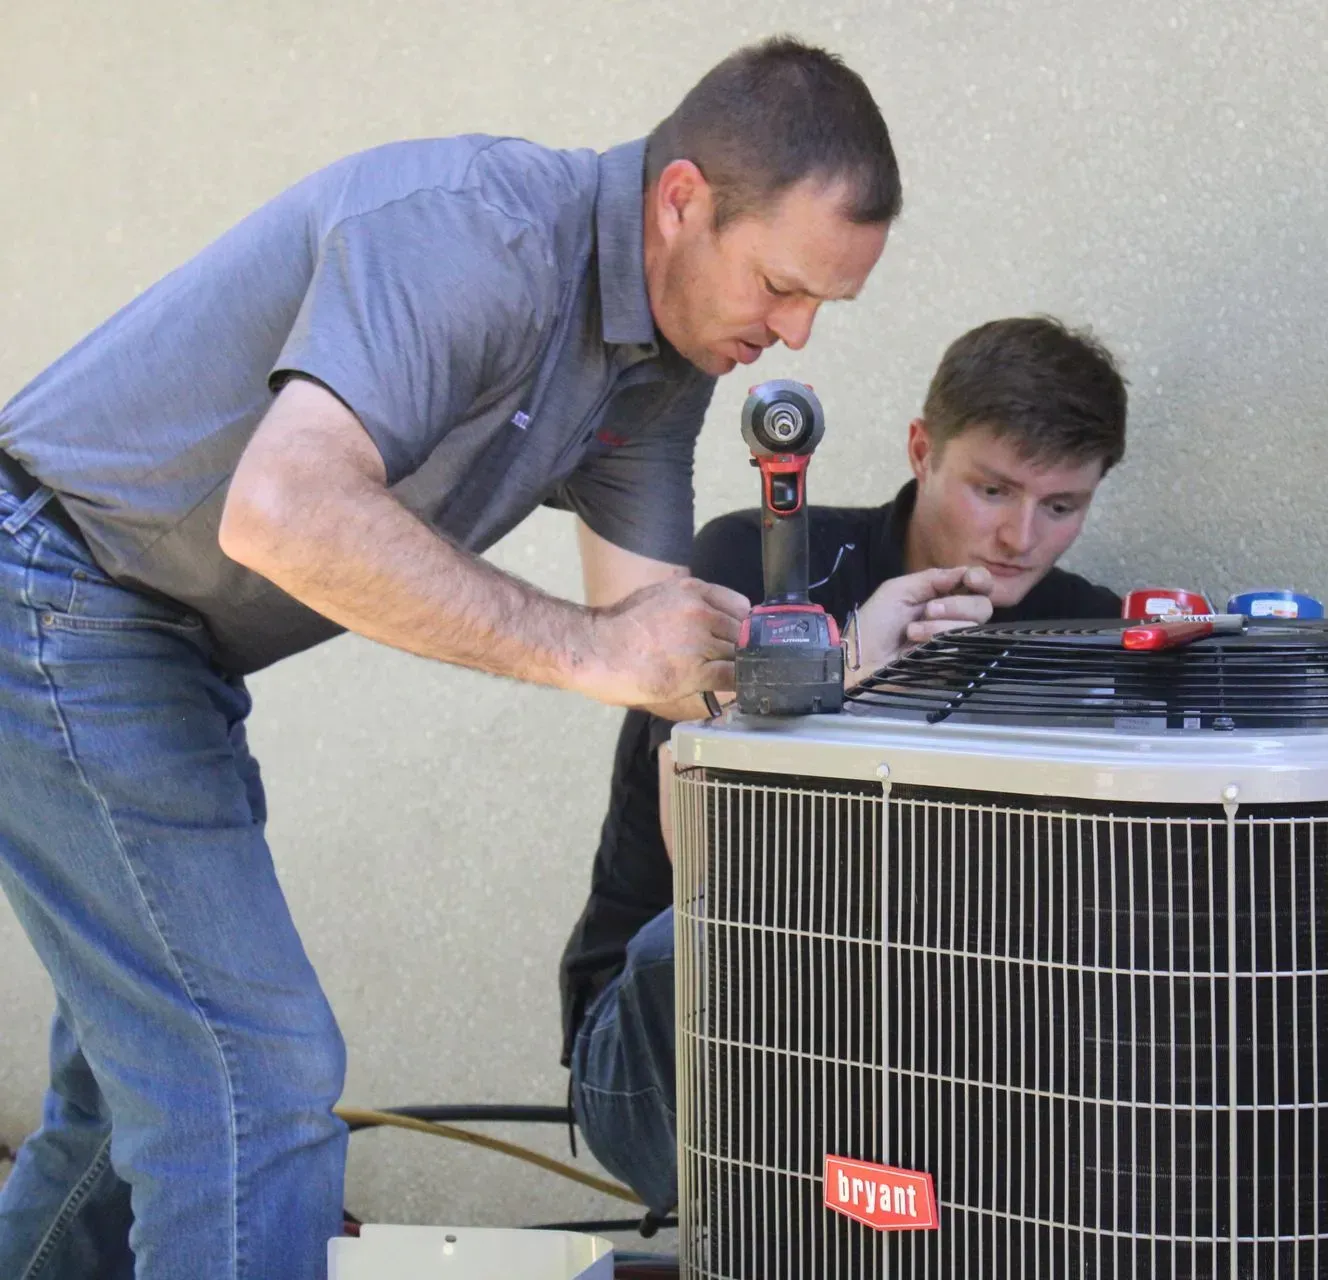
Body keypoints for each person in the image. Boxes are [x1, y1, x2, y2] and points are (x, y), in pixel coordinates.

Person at [0, 36, 979, 1280]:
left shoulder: (657, 368)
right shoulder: (475, 236)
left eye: (822, 307)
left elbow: (660, 654)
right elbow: (283, 510)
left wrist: (844, 654)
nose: (793, 334)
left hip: (161, 647)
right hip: (55, 587)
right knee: (252, 1082)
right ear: (682, 201)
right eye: (783, 285)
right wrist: (591, 650)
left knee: (122, 1102)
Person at [559, 315, 1129, 1213]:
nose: (1021, 537)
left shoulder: (1077, 629)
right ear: (921, 450)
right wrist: (854, 673)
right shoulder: (754, 558)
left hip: (940, 1049)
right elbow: (708, 850)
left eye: (1062, 508)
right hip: (677, 1039)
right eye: (992, 490)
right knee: (727, 934)